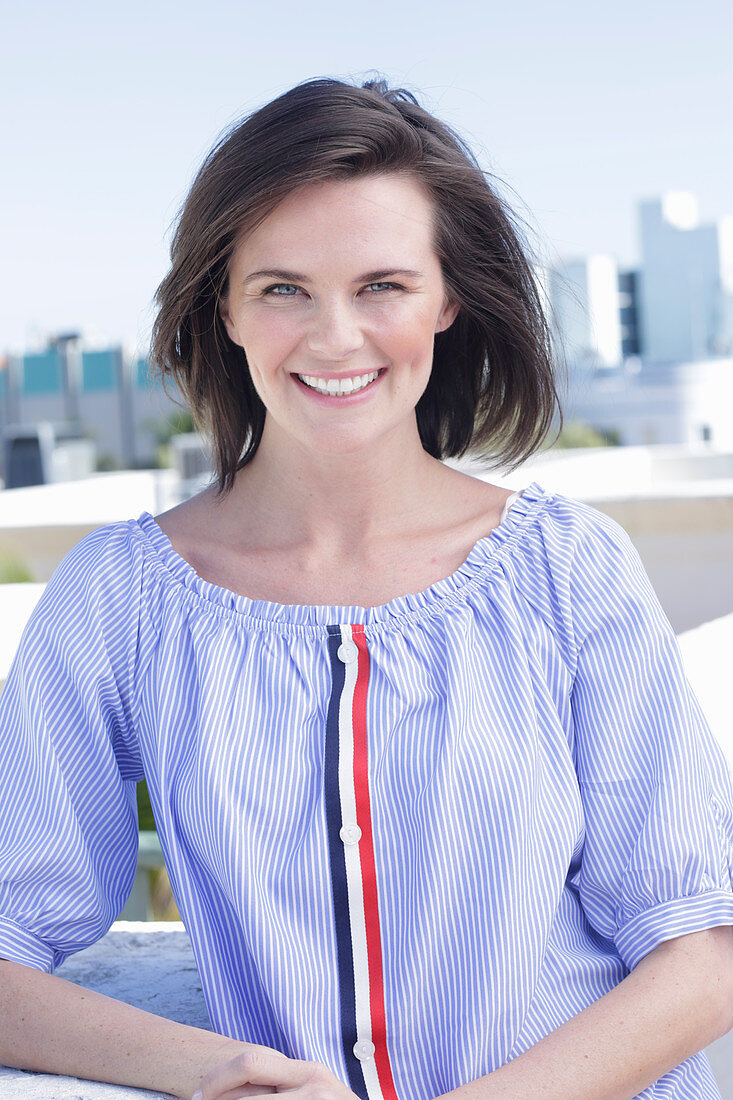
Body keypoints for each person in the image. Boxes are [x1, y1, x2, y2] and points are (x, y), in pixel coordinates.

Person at [0, 76, 732, 1100]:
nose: (334, 337)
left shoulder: (572, 570)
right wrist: (219, 1067)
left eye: (381, 285)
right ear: (225, 305)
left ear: (446, 298)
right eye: (283, 287)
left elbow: (702, 952)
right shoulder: (119, 599)